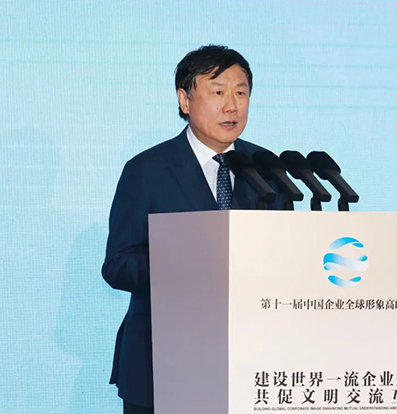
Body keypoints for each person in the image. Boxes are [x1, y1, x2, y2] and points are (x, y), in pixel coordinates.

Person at [102, 45, 284, 414]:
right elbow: (118, 264)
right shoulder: (147, 170)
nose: (231, 106)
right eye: (218, 92)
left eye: (241, 93)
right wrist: (188, 264)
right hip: (164, 364)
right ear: (185, 100)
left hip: (249, 365)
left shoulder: (268, 169)